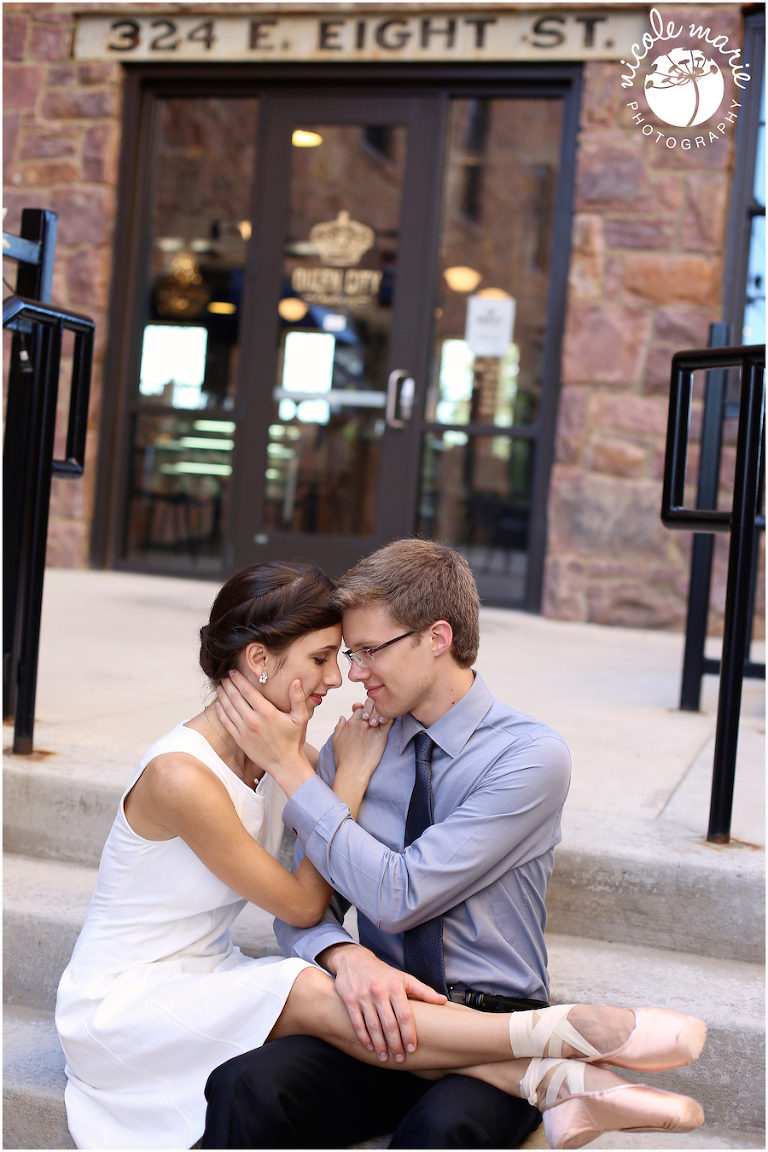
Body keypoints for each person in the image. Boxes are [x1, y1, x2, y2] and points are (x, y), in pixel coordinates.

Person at [56, 559, 706, 1152]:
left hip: (482, 1005)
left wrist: (306, 776)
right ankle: (556, 1062)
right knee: (247, 1084)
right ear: (259, 660)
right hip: (362, 1006)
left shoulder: (527, 756)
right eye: (334, 656)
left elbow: (400, 894)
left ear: (437, 638)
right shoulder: (327, 754)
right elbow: (306, 903)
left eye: (364, 652)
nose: (347, 678)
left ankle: (549, 1061)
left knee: (439, 1128)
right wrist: (347, 956)